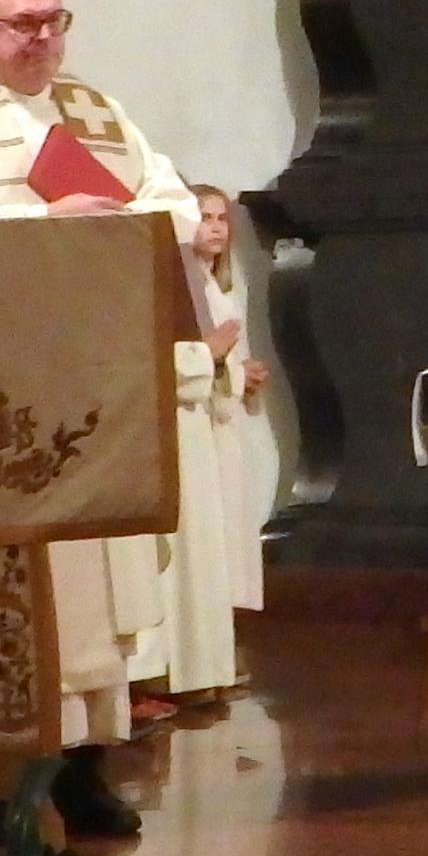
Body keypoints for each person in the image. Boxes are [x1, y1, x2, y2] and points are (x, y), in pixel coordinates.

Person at [0, 0, 201, 837]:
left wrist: (126, 224)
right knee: (2, 591)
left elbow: (172, 202)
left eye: (54, 21)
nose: (42, 38)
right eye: (22, 24)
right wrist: (43, 226)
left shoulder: (97, 113)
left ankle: (84, 768)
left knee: (99, 583)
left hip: (94, 381)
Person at [150, 186, 271, 707]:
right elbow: (191, 360)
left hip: (219, 427)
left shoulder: (218, 289)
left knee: (224, 544)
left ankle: (219, 657)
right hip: (194, 426)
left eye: (223, 218)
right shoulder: (181, 288)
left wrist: (241, 375)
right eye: (204, 217)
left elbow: (220, 363)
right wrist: (222, 365)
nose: (216, 227)